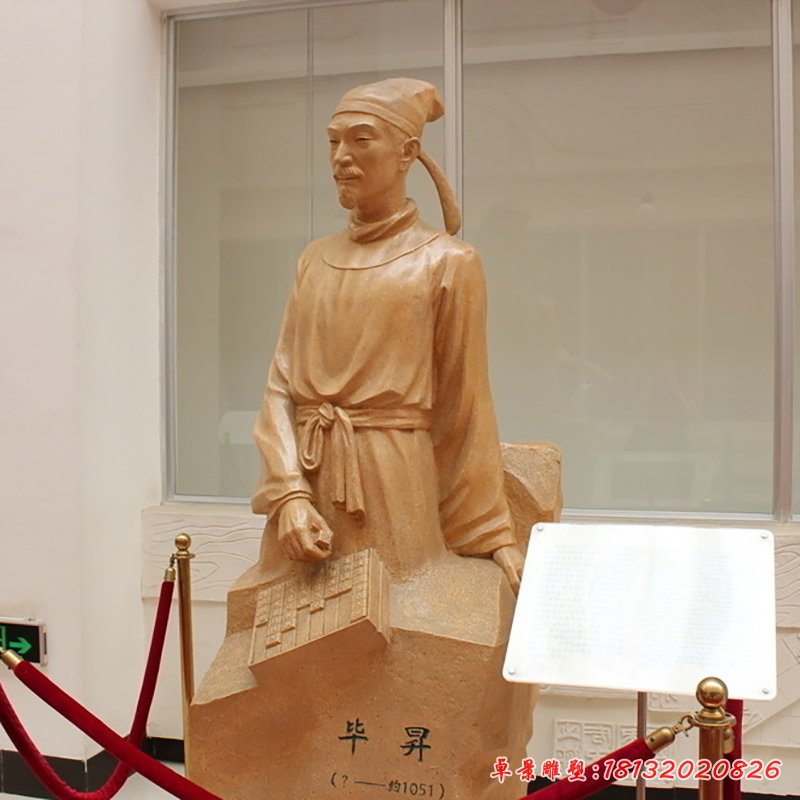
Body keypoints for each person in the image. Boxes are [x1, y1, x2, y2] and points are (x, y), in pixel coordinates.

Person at [251, 77, 524, 592]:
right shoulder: (314, 259)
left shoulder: (449, 262)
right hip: (308, 481)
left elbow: (464, 405)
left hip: (393, 483)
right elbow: (280, 388)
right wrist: (289, 494)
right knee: (296, 629)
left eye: (361, 139)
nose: (341, 157)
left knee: (402, 613)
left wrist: (490, 533)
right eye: (333, 141)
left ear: (407, 153)